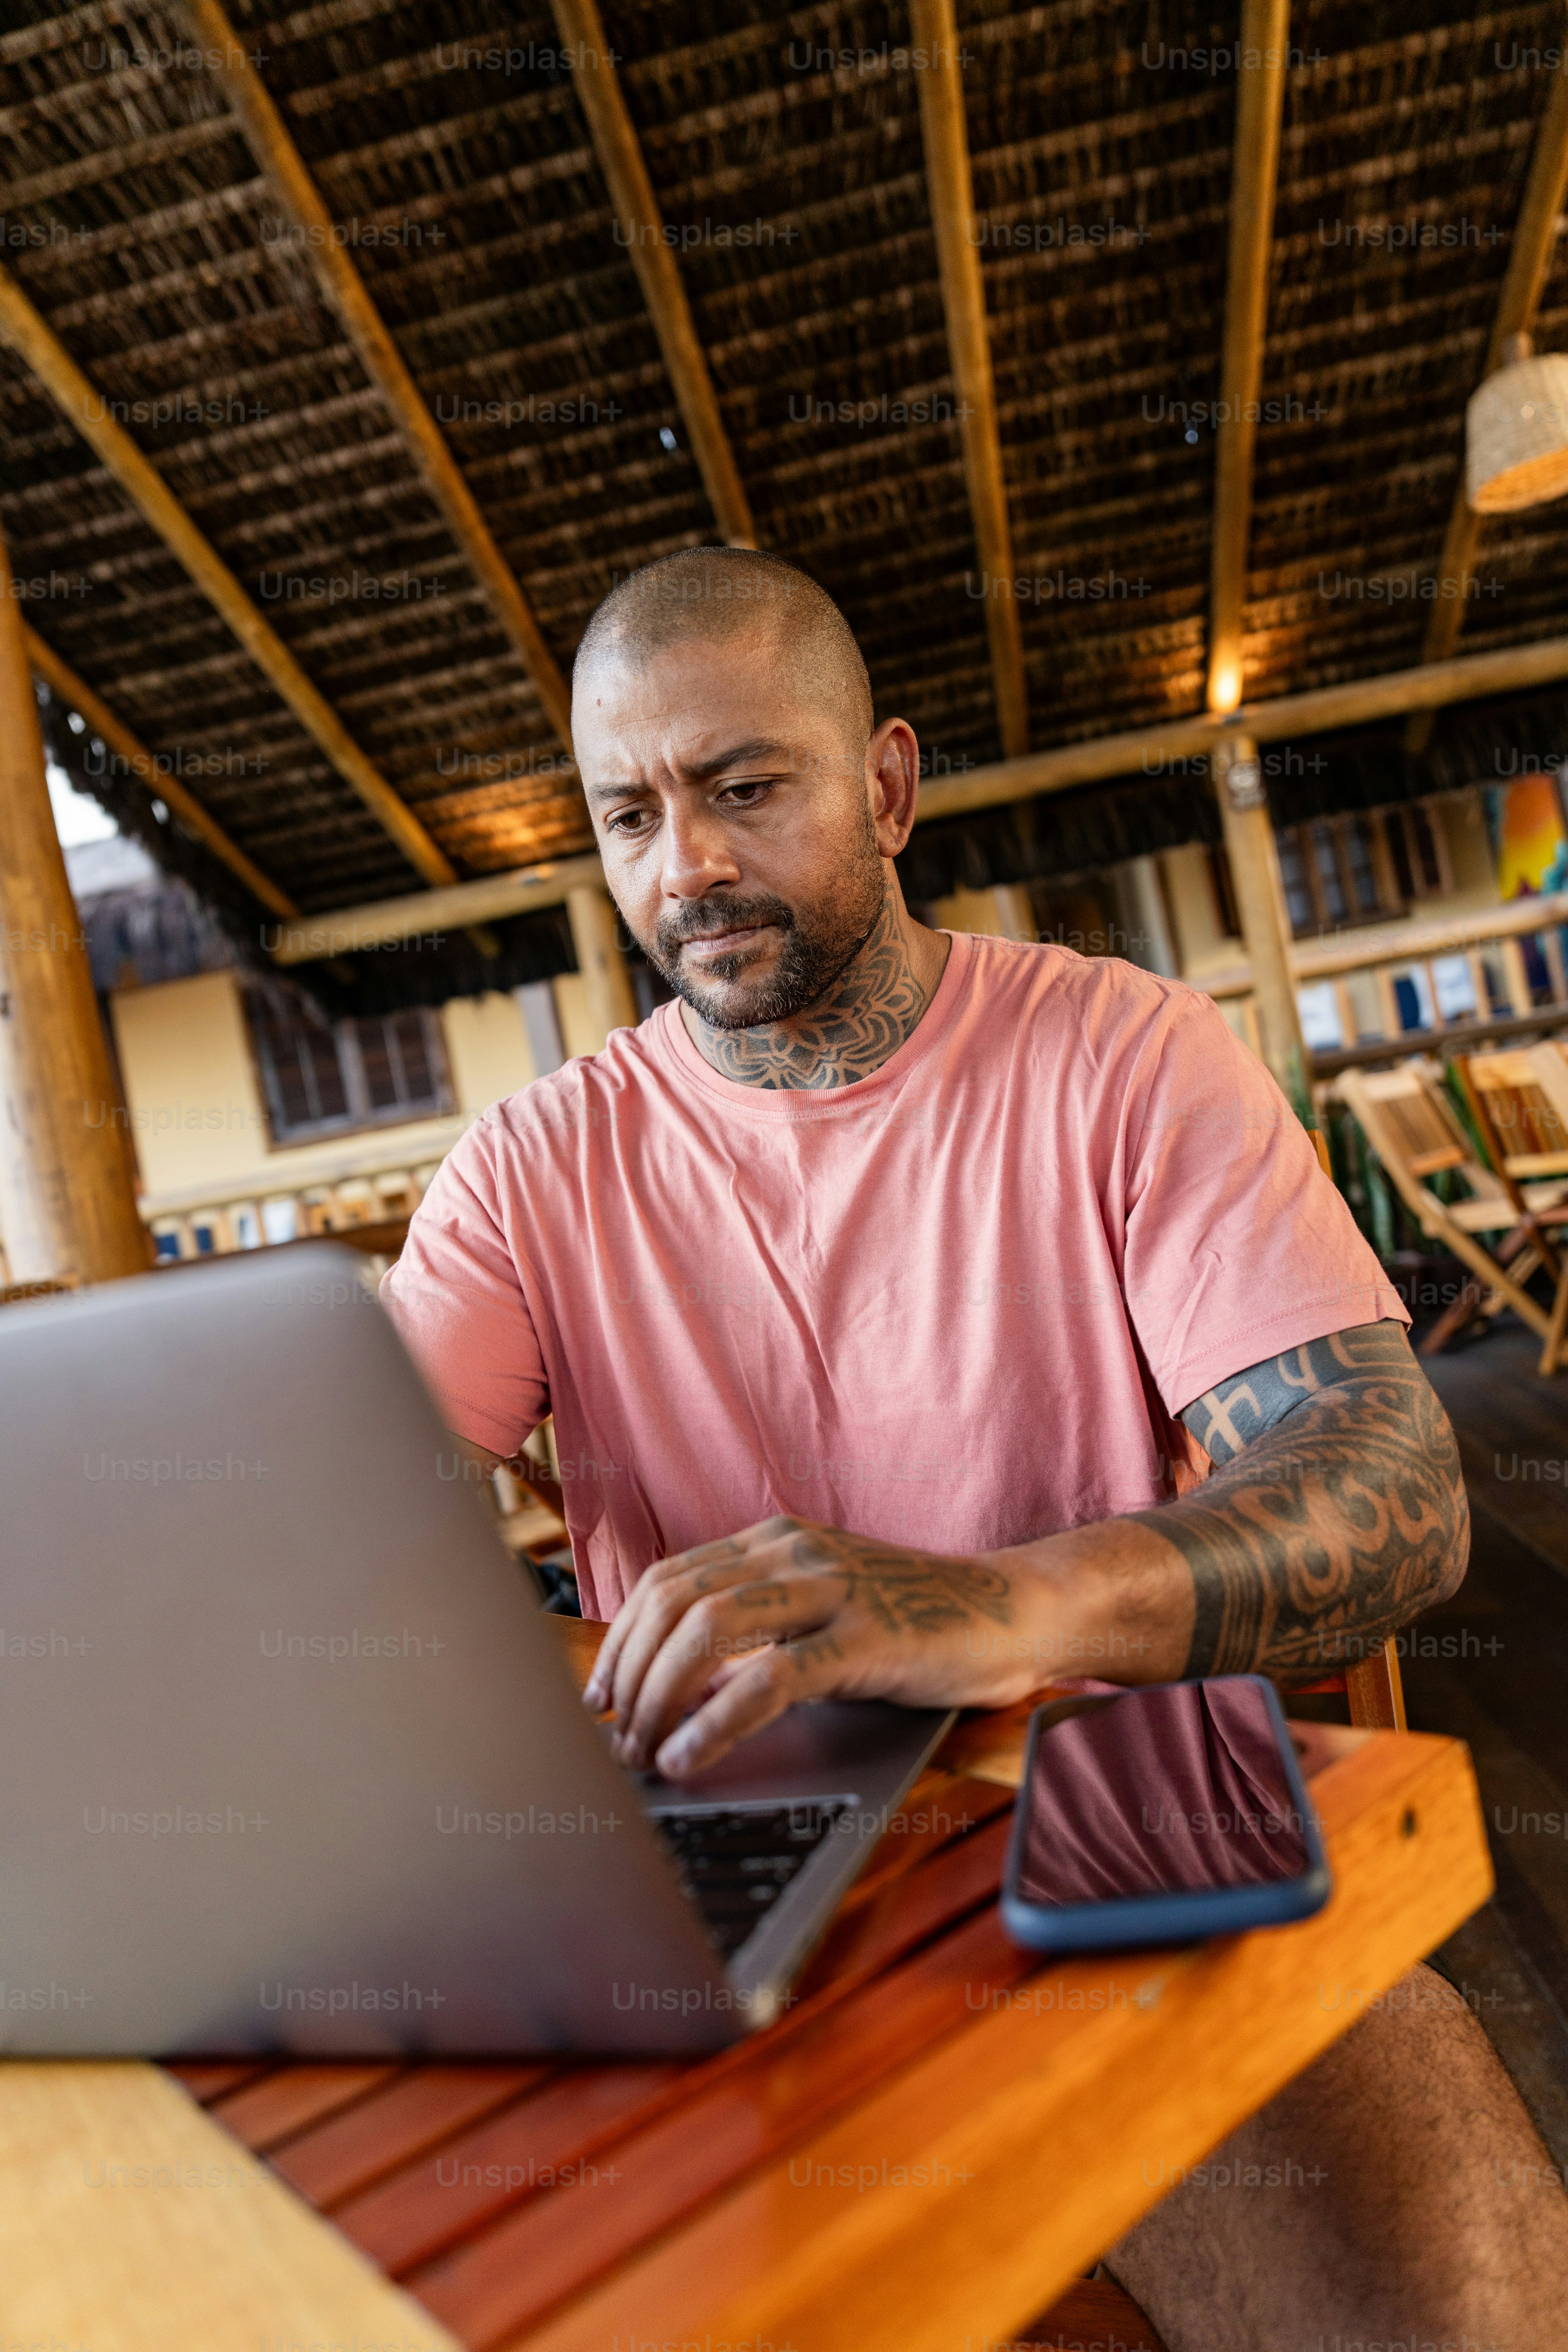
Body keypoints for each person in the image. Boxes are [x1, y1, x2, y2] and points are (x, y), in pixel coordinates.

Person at [384, 545, 1568, 2352]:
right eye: (628, 812)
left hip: (1120, 1816)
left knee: (1447, 2310)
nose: (681, 862)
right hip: (713, 1859)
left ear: (885, 786)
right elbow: (331, 1546)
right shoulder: (531, 1170)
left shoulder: (1119, 1055)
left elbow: (1392, 1483)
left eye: (745, 787)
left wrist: (989, 1607)